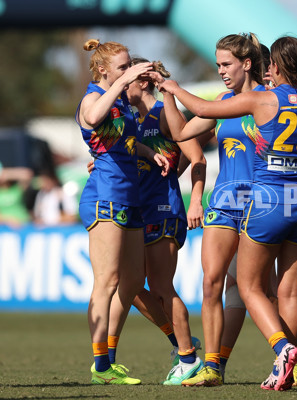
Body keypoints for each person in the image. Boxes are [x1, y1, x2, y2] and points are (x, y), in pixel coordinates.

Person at [157, 35, 297, 391]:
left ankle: (286, 355)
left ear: (263, 65)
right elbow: (183, 132)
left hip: (265, 202)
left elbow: (201, 110)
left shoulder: (258, 100)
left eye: (226, 64)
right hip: (294, 200)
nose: (221, 71)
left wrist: (173, 86)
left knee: (251, 288)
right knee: (255, 288)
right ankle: (261, 361)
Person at [76, 39, 158, 385]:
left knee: (133, 280)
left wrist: (148, 153)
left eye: (128, 66)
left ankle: (107, 358)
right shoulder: (93, 98)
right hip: (105, 198)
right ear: (102, 70)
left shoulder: (121, 103)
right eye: (122, 67)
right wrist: (123, 83)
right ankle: (101, 364)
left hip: (130, 196)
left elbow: (120, 142)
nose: (128, 72)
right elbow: (93, 118)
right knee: (106, 281)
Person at [125, 56, 207, 385]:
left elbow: (197, 157)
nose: (122, 84)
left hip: (163, 210)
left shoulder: (163, 114)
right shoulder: (130, 118)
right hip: (137, 212)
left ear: (143, 81)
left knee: (160, 286)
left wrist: (195, 200)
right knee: (125, 285)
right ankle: (181, 344)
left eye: (127, 77)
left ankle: (187, 358)